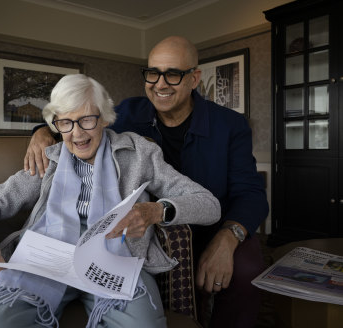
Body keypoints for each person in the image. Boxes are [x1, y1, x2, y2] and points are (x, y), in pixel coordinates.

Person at [24, 36, 269, 328]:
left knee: (246, 270)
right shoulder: (130, 112)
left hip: (216, 223)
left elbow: (251, 194)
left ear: (194, 78)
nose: (160, 84)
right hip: (154, 229)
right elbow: (82, 123)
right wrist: (42, 131)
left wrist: (228, 239)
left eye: (173, 74)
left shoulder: (230, 125)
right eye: (153, 73)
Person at [0, 74, 221, 328]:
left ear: (105, 117)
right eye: (66, 123)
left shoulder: (139, 153)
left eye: (87, 120)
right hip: (47, 258)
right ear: (57, 124)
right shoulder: (47, 160)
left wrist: (156, 210)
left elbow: (208, 204)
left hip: (115, 256)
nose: (77, 134)